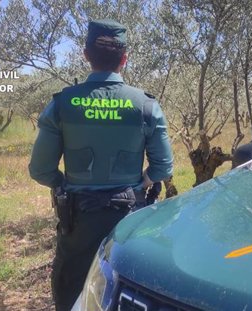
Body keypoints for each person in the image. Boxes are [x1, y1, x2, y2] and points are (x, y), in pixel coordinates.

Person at [28, 19, 173, 311]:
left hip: (78, 218)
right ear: (125, 59)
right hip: (129, 216)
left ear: (86, 55)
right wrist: (141, 184)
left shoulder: (62, 103)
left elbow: (40, 169)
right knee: (127, 285)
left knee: (72, 288)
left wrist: (64, 185)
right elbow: (163, 167)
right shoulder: (145, 106)